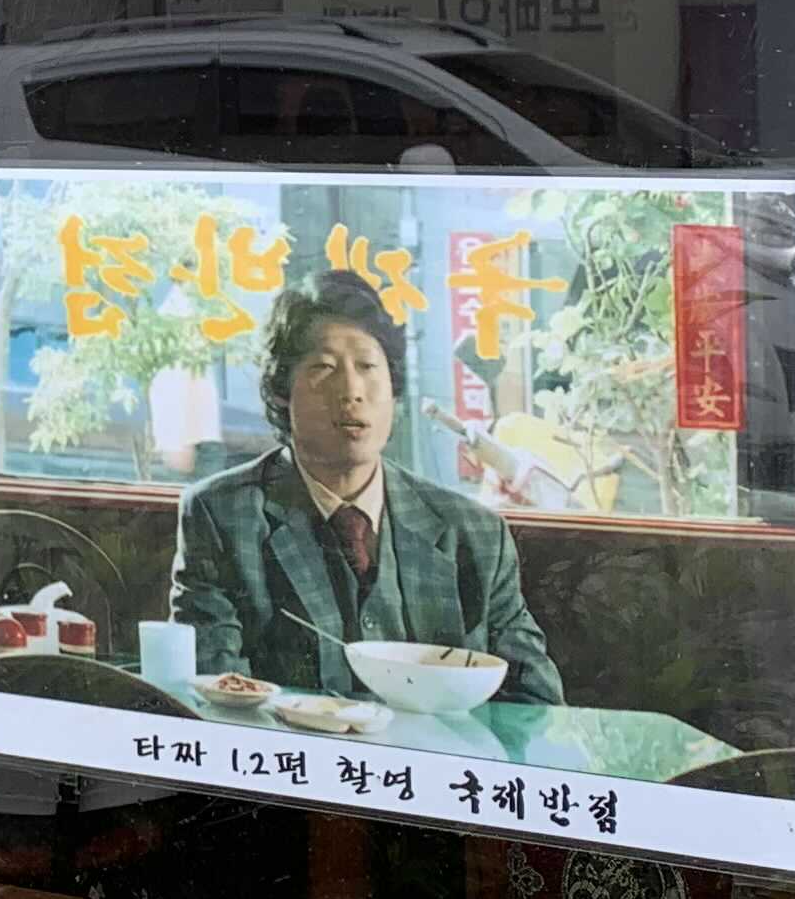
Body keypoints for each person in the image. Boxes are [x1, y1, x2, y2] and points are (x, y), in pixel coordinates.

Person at [168, 267, 564, 704]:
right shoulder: (222, 516)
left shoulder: (475, 534)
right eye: (324, 367)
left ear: (393, 388)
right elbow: (216, 695)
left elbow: (536, 704)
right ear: (282, 391)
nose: (351, 391)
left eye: (368, 366)